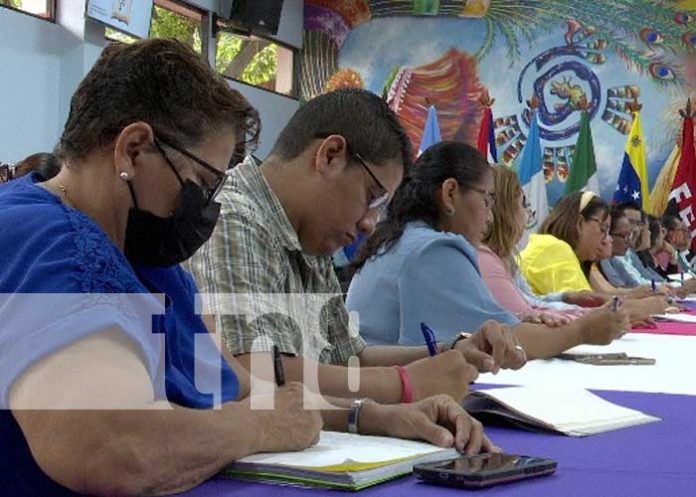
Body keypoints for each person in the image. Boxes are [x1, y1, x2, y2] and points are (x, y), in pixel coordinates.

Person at [1, 40, 494, 497]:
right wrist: (257, 429)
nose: (206, 208)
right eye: (200, 183)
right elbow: (108, 445)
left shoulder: (147, 262)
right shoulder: (50, 244)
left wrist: (377, 416)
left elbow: (232, 385)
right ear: (133, 149)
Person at [187, 89, 526, 409]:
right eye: (371, 197)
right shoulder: (234, 217)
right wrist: (404, 385)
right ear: (330, 156)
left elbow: (351, 358)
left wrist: (451, 350)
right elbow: (255, 375)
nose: (369, 223)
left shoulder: (311, 237)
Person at [346, 142, 628, 360]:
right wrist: (584, 330)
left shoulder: (403, 238)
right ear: (450, 193)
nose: (490, 217)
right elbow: (512, 341)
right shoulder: (434, 249)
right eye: (488, 200)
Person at [477, 165, 585, 325]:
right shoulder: (484, 258)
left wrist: (571, 300)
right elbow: (528, 315)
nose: (527, 214)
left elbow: (529, 301)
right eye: (523, 204)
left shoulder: (506, 257)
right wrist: (593, 317)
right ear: (504, 210)